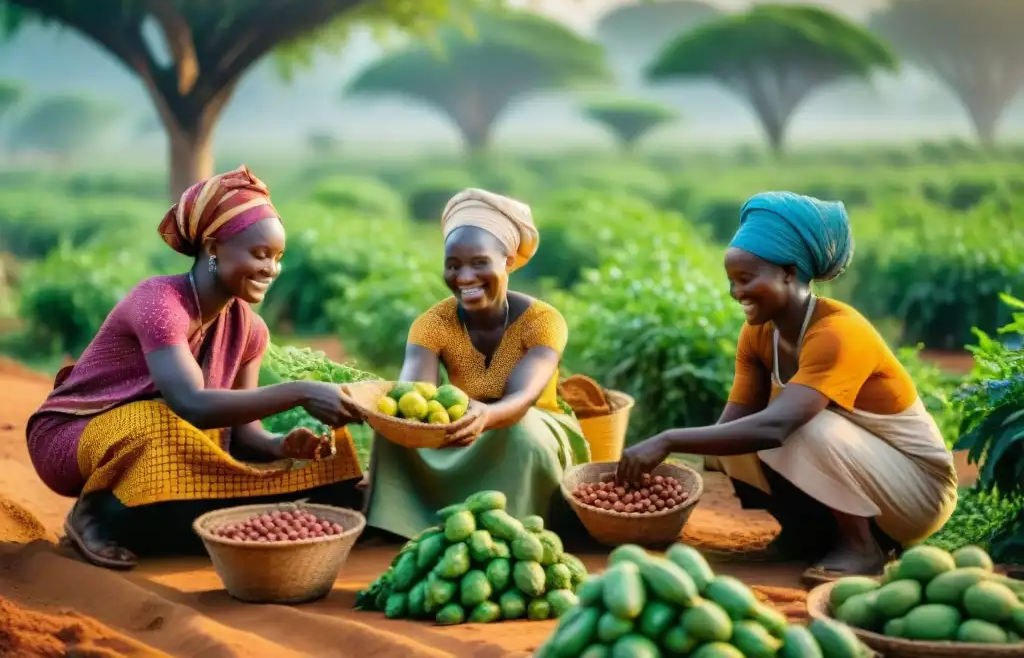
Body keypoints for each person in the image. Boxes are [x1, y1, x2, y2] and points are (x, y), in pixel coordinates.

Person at [25, 166, 366, 570]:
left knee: (328, 466)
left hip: (165, 443)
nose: (270, 269)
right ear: (213, 247)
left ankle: (148, 520)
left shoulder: (250, 329)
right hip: (74, 437)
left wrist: (279, 446)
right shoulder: (159, 302)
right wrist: (301, 391)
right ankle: (92, 511)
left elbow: (241, 434)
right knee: (158, 419)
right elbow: (191, 404)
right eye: (259, 254)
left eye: (277, 258)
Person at [617, 191, 958, 583]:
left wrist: (667, 438)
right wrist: (675, 476)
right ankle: (804, 535)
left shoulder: (837, 333)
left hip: (917, 492)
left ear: (789, 273)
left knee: (799, 425)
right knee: (732, 444)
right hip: (867, 480)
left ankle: (862, 548)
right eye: (732, 281)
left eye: (746, 279)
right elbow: (735, 423)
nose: (736, 293)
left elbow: (777, 426)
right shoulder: (758, 334)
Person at [364, 188, 591, 540]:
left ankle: (515, 530)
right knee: (392, 435)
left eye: (479, 263)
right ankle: (410, 526)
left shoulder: (543, 321)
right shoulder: (433, 323)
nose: (464, 277)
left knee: (519, 432)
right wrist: (398, 417)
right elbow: (416, 396)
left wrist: (485, 416)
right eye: (453, 265)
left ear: (508, 261)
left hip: (533, 424)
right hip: (459, 426)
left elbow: (524, 397)